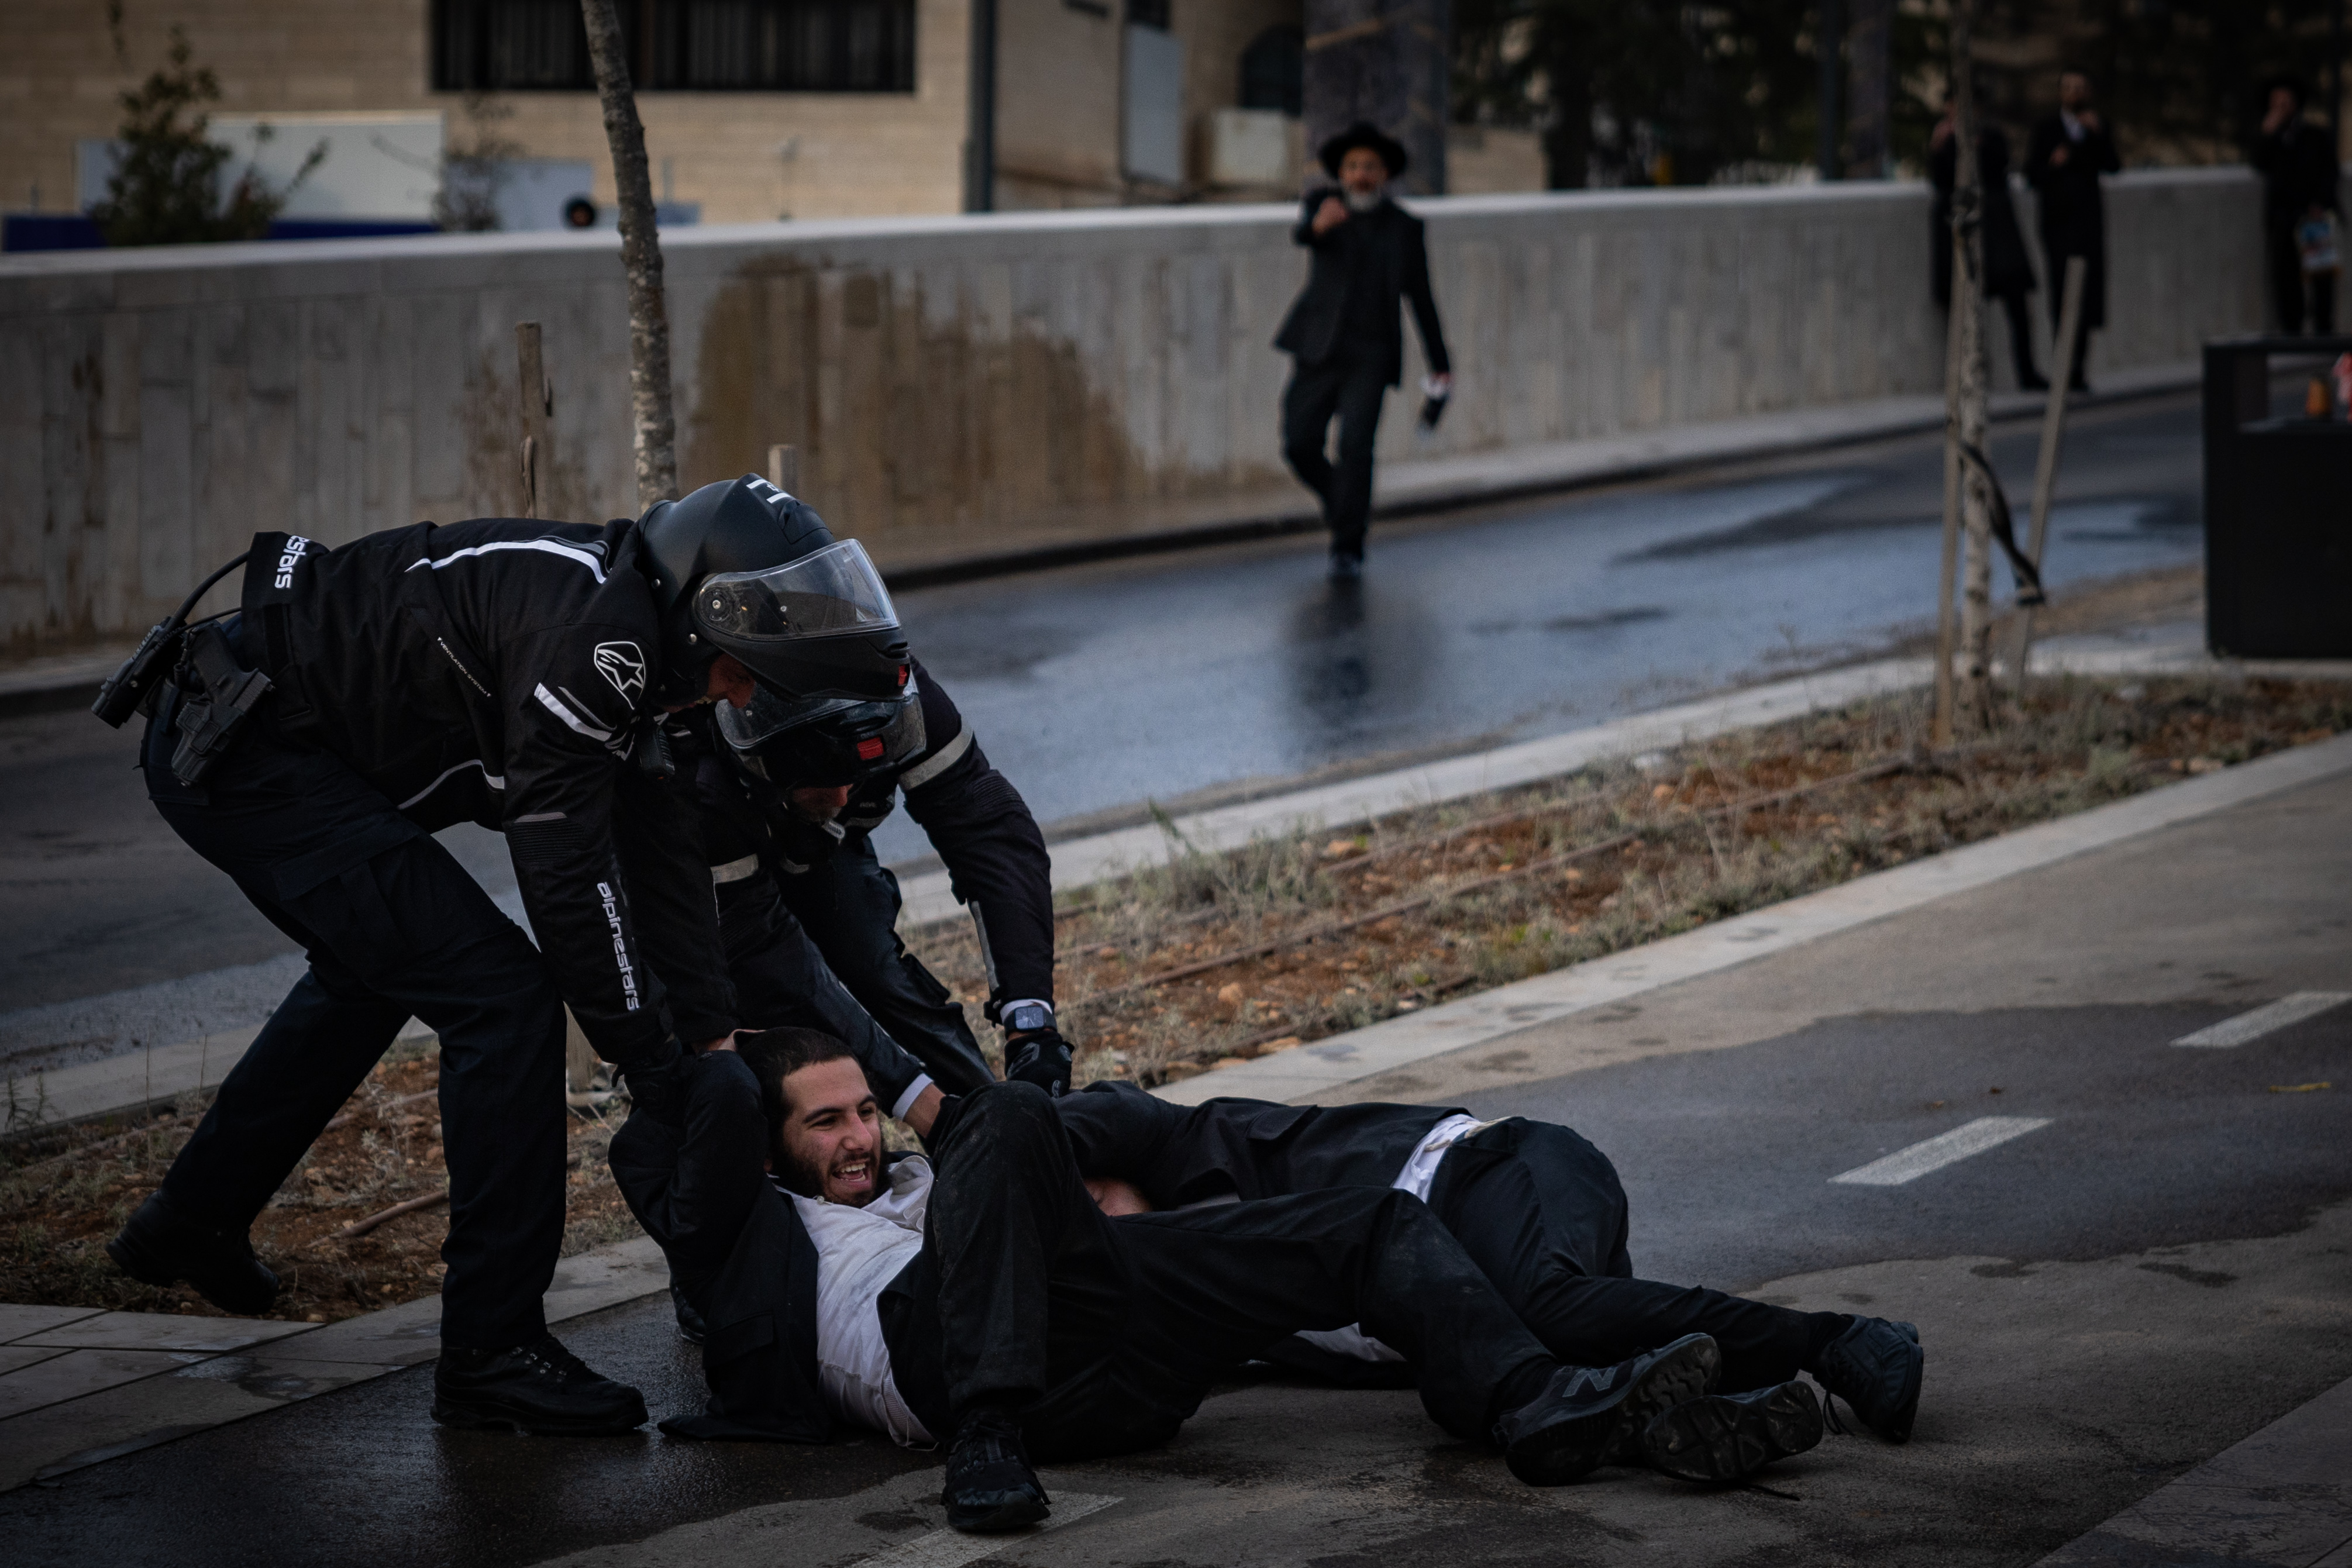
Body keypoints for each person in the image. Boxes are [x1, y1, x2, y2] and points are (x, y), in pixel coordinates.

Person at [103, 472, 909, 1435]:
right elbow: (570, 880)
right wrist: (655, 1066)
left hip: (283, 742)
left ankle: (189, 1219)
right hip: (242, 752)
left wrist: (708, 1040)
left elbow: (659, 848)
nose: (742, 693)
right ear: (707, 619)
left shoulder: (638, 634)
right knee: (504, 1001)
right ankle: (492, 1348)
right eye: (745, 669)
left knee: (376, 973)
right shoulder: (595, 648)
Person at [610, 1032, 1828, 1535]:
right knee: (1013, 1113)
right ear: (772, 1148)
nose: (860, 1135)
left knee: (1367, 1222)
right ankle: (987, 1436)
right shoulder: (756, 1227)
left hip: (1107, 1361)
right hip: (940, 1362)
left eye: (867, 1107)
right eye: (823, 1121)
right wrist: (713, 1037)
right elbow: (675, 1127)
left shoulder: (931, 1184)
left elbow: (1010, 1169)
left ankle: (1542, 1398)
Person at [1055, 1081, 1924, 1446]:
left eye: (1094, 1207)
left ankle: (1839, 1340)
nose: (1112, 1238)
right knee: (1521, 1392)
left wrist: (939, 1124)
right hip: (1469, 1313)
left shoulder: (1175, 1138)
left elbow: (1040, 1122)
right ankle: (1719, 1411)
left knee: (1548, 1306)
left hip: (1494, 1174)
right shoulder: (1193, 1290)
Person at [679, 498, 1064, 1105]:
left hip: (822, 858)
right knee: (758, 1040)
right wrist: (913, 1101)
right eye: (818, 781)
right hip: (711, 879)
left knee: (878, 973)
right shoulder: (700, 747)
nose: (840, 797)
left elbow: (987, 828)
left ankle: (991, 1114)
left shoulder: (890, 682)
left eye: (855, 781)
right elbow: (768, 953)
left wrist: (1030, 1020)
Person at [1276, 120, 1452, 580]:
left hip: (1370, 354)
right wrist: (1318, 226)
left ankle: (1347, 543)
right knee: (1298, 443)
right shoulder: (1324, 205)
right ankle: (1343, 504)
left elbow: (1421, 298)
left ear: (1385, 173)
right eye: (1352, 166)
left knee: (1356, 446)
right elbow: (1303, 236)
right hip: (1318, 347)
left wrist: (1441, 365)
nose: (1360, 175)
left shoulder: (1404, 228)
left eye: (1369, 167)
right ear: (1341, 172)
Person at [1931, 107, 2047, 391]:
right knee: (1964, 307)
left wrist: (1973, 144)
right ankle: (1971, 375)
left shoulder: (1991, 136)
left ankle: (2027, 373)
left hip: (1998, 231)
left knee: (2017, 304)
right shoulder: (1943, 138)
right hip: (1962, 234)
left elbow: (2000, 167)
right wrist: (1940, 145)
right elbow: (1940, 180)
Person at [2024, 70, 2122, 392]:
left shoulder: (2097, 125)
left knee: (2088, 295)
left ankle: (2077, 365)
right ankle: (2063, 363)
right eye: (2068, 88)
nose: (2074, 93)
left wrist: (2097, 134)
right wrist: (2055, 162)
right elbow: (2031, 174)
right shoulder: (2048, 128)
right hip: (2057, 224)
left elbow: (2114, 165)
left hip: (2088, 222)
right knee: (2061, 292)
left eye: (2080, 88)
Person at [2254, 77, 2341, 337]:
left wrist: (2321, 204)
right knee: (2286, 276)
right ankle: (2292, 328)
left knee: (2321, 275)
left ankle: (2323, 330)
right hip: (2284, 218)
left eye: (2286, 102)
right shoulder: (2274, 137)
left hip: (2313, 218)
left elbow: (2329, 172)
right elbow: (2259, 162)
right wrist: (2268, 133)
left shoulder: (2315, 136)